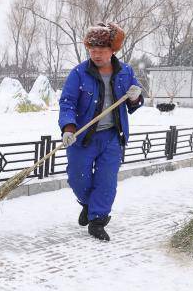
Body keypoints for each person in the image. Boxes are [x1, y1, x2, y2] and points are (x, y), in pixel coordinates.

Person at [58, 22, 143, 241]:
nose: (96, 55)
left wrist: (135, 97)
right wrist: (68, 128)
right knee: (78, 178)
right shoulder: (79, 73)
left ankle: (97, 220)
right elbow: (67, 103)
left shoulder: (126, 72)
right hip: (83, 136)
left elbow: (134, 103)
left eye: (101, 51)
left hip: (112, 136)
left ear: (112, 51)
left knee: (106, 181)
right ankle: (88, 204)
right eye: (92, 50)